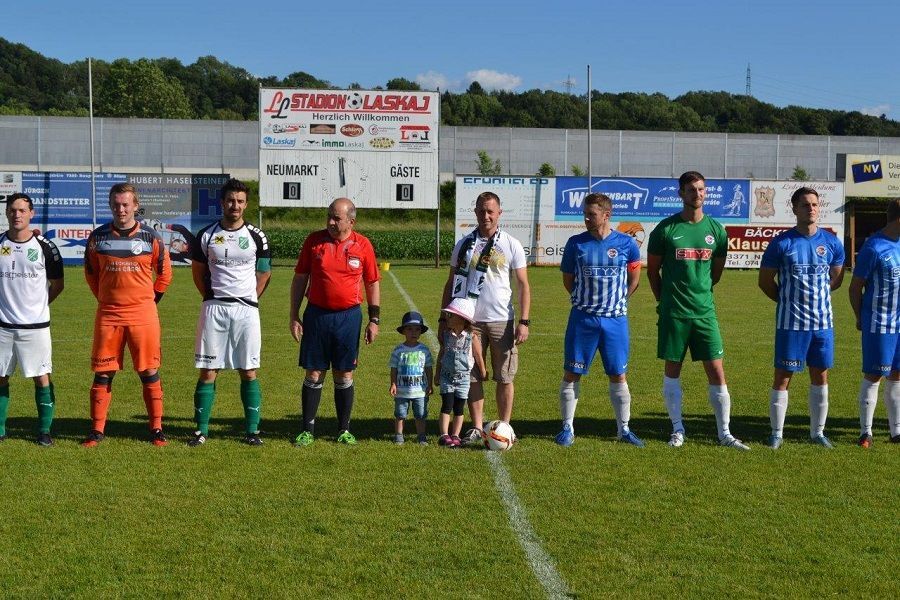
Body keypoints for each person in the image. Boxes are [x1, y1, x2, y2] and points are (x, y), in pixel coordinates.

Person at [646, 171, 749, 450]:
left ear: (706, 193)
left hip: (705, 313)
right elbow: (653, 272)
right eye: (691, 189)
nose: (697, 194)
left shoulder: (716, 230)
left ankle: (724, 433)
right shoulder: (665, 230)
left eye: (701, 189)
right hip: (674, 313)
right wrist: (664, 301)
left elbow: (715, 273)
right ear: (680, 193)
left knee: (717, 371)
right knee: (672, 370)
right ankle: (677, 429)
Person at [83, 183, 172, 447]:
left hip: (143, 316)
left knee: (149, 371)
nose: (121, 209)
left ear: (135, 205)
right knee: (103, 372)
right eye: (116, 204)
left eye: (125, 204)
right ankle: (97, 430)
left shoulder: (150, 237)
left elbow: (165, 274)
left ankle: (156, 429)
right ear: (110, 205)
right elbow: (90, 275)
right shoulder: (97, 238)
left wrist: (148, 302)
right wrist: (106, 299)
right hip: (109, 315)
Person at [441, 191, 530, 447]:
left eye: (490, 211)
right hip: (468, 321)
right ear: (476, 212)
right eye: (481, 210)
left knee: (504, 376)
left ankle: (505, 426)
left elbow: (523, 285)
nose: (486, 215)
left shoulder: (511, 243)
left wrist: (524, 321)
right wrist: (443, 318)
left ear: (499, 212)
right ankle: (477, 428)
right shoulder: (464, 244)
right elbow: (450, 283)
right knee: (470, 374)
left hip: (502, 320)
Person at [759, 187, 844, 449]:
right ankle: (777, 433)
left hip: (822, 324)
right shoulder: (782, 243)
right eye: (805, 205)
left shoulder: (831, 243)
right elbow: (765, 282)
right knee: (783, 377)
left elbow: (837, 279)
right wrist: (787, 301)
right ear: (794, 208)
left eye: (815, 205)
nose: (811, 209)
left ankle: (817, 433)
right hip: (791, 324)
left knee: (820, 376)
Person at [290, 198, 380, 446]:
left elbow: (372, 282)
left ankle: (344, 430)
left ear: (351, 221)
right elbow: (300, 278)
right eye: (328, 216)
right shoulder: (314, 241)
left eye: (336, 218)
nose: (330, 221)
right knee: (314, 371)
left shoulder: (363, 245)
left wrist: (374, 319)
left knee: (344, 372)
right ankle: (307, 429)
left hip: (348, 317)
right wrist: (294, 314)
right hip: (317, 315)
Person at [556, 193, 644, 447]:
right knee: (572, 373)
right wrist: (585, 303)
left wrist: (617, 302)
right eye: (585, 213)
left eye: (591, 214)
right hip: (583, 319)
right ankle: (567, 428)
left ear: (606, 215)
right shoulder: (576, 244)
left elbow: (634, 280)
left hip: (615, 321)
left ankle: (624, 429)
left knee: (618, 374)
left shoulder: (627, 244)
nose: (586, 218)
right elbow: (568, 280)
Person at [189, 178, 271, 447]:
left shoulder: (257, 236)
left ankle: (252, 431)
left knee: (248, 371)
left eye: (240, 201)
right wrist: (211, 296)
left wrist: (250, 299)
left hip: (246, 311)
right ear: (222, 203)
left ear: (246, 204)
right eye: (230, 201)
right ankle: (201, 431)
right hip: (214, 309)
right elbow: (198, 273)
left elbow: (264, 271)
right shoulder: (206, 235)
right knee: (208, 370)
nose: (235, 205)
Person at [0, 193, 64, 446]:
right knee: (1, 377)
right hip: (3, 326)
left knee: (41, 377)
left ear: (31, 213)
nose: (17, 215)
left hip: (36, 327)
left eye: (22, 210)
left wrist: (39, 307)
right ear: (6, 213)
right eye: (13, 210)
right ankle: (1, 429)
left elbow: (58, 285)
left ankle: (44, 431)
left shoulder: (45, 247)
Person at [848, 198, 900, 447]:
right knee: (875, 373)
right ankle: (865, 431)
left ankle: (896, 431)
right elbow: (855, 287)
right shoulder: (874, 246)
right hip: (880, 323)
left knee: (898, 375)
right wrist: (861, 317)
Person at [434, 298, 487, 448]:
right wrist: (438, 374)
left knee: (459, 407)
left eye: (451, 315)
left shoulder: (472, 337)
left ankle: (456, 435)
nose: (447, 318)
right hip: (447, 376)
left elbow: (478, 355)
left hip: (463, 378)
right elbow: (441, 354)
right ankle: (444, 434)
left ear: (462, 319)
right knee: (446, 405)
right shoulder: (446, 335)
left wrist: (483, 371)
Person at [389, 311, 433, 445]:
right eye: (409, 329)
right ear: (403, 331)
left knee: (420, 414)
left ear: (421, 332)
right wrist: (393, 384)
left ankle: (421, 436)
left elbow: (429, 368)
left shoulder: (424, 350)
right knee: (400, 414)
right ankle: (399, 435)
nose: (413, 332)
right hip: (402, 390)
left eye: (417, 329)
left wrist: (430, 385)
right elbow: (394, 368)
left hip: (420, 390)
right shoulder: (398, 350)